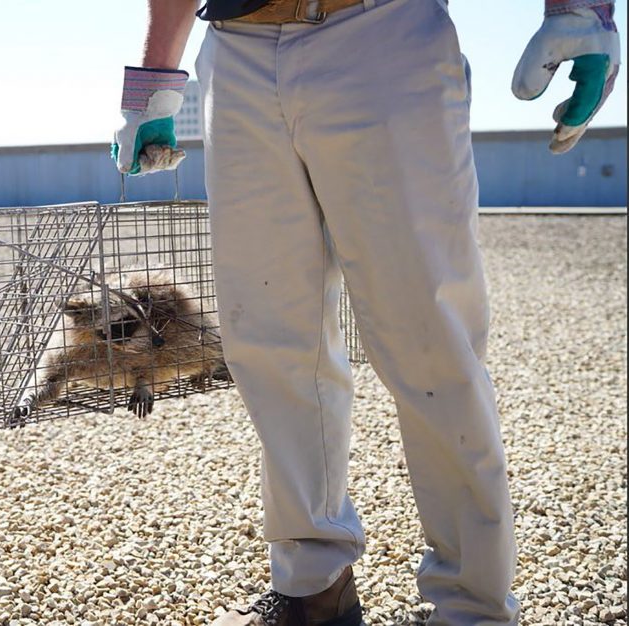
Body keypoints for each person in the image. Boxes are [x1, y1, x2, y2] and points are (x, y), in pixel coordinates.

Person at [112, 1, 620, 624]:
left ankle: (472, 606)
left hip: (381, 28)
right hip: (236, 44)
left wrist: (581, 11)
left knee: (429, 336)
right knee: (270, 337)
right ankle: (313, 586)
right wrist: (157, 75)